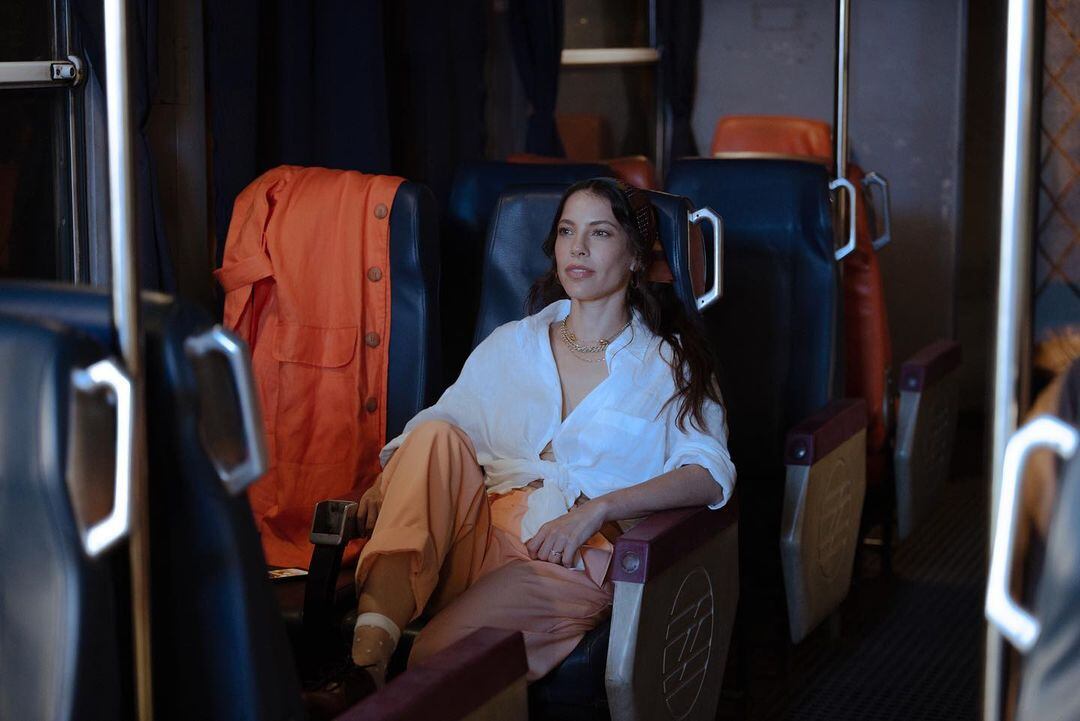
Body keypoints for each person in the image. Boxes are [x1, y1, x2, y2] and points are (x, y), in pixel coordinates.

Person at [349, 178, 736, 689]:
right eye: (567, 232)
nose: (578, 248)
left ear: (636, 257)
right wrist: (389, 483)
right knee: (436, 435)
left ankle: (378, 679)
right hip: (475, 535)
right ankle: (365, 659)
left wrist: (599, 509)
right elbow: (440, 428)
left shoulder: (670, 365)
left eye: (600, 233)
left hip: (568, 559)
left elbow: (708, 473)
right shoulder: (512, 343)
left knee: (437, 660)